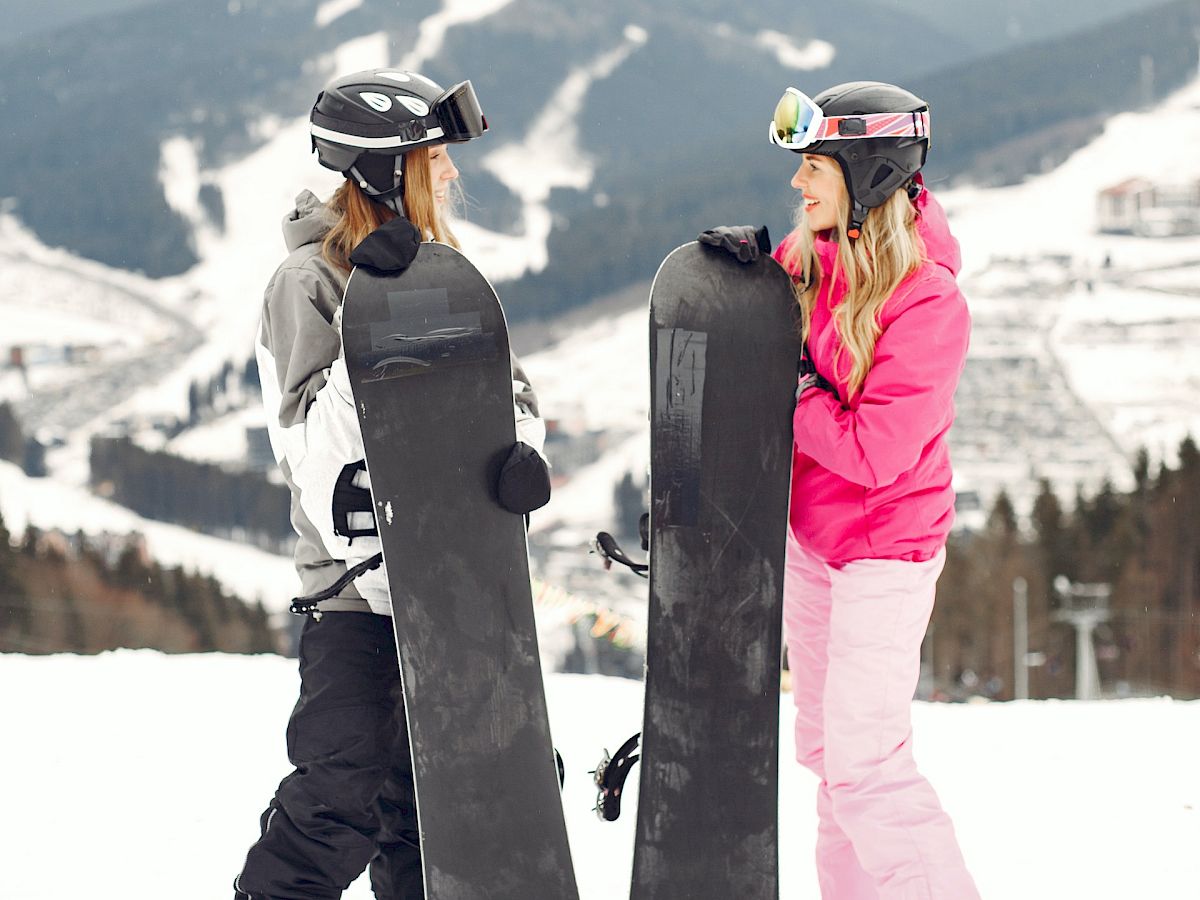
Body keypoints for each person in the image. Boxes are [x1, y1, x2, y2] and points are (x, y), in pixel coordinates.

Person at [234, 68, 548, 900]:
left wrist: (516, 453)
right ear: (384, 168)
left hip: (449, 592)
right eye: (433, 156)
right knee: (337, 803)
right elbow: (315, 459)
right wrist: (370, 320)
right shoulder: (305, 285)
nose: (448, 172)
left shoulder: (439, 269)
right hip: (355, 599)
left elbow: (511, 394)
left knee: (434, 820)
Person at [700, 81, 980, 898]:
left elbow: (875, 452)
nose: (797, 184)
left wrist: (792, 389)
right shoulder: (810, 263)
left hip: (885, 553)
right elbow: (755, 344)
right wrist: (742, 286)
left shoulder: (929, 301)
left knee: (867, 766)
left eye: (815, 166)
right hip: (814, 546)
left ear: (869, 179)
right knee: (830, 760)